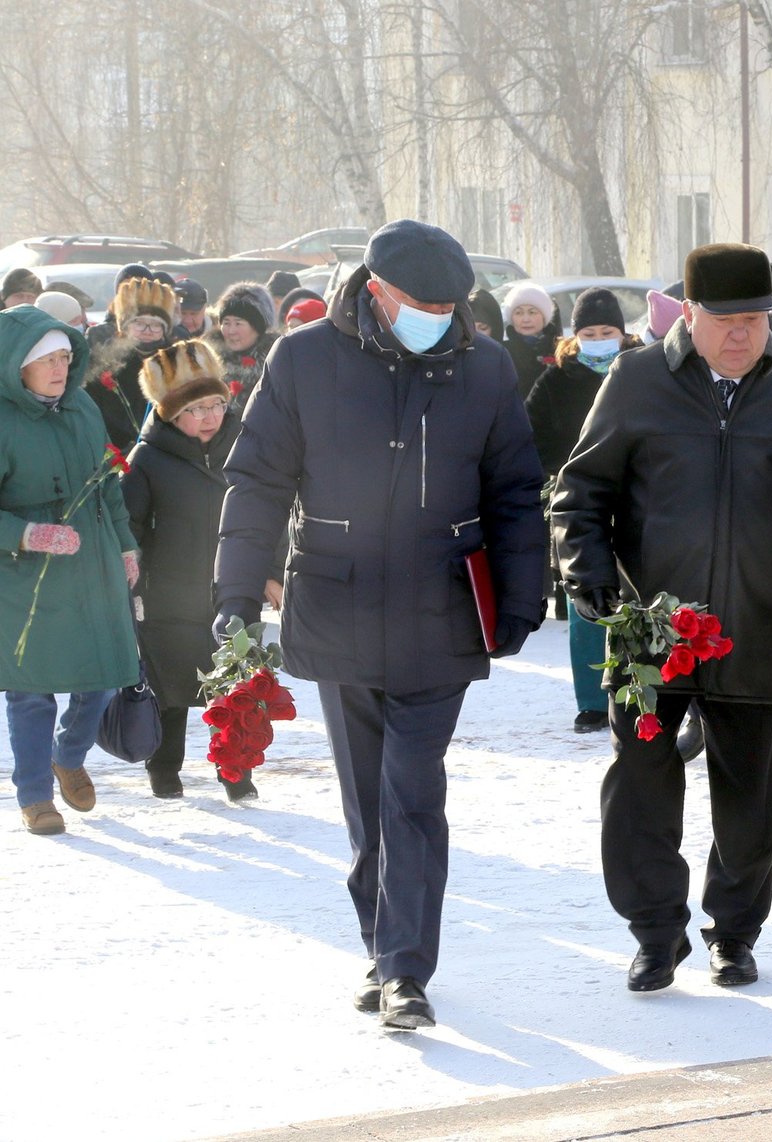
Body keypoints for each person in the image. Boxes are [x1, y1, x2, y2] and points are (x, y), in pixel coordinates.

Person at [216, 219, 547, 1030]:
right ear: (377, 293)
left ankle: (406, 969)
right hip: (337, 601)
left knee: (413, 791)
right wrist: (233, 589)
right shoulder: (304, 360)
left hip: (442, 607)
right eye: (424, 303)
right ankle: (381, 943)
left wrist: (523, 596)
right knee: (368, 798)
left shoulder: (484, 365)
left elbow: (513, 491)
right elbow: (257, 477)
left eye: (452, 304)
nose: (442, 315)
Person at [552, 242, 772, 995]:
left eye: (754, 320)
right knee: (642, 784)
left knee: (751, 793)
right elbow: (580, 492)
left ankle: (734, 931)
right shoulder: (636, 380)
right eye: (724, 319)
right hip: (652, 629)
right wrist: (587, 573)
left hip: (757, 621)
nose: (740, 335)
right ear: (688, 313)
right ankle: (657, 932)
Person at [0, 306, 140, 835]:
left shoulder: (82, 407)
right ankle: (35, 795)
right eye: (47, 360)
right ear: (18, 365)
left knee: (103, 675)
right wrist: (27, 534)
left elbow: (107, 483)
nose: (60, 369)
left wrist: (125, 545)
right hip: (26, 578)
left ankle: (69, 753)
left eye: (64, 357)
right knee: (31, 691)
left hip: (92, 561)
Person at [123, 341, 281, 800]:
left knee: (237, 690)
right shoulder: (148, 460)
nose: (210, 416)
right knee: (171, 693)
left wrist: (270, 571)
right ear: (171, 414)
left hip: (233, 590)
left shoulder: (244, 448)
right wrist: (131, 578)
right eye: (196, 409)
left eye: (216, 404)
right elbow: (129, 527)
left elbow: (268, 515)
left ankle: (236, 774)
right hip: (168, 597)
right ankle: (165, 768)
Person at [524, 288, 640, 733]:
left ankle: (644, 687)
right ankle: (592, 700)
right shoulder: (556, 380)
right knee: (585, 598)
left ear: (622, 332)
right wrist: (562, 472)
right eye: (588, 332)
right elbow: (531, 437)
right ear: (575, 335)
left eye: (606, 330)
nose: (597, 338)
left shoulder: (641, 370)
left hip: (639, 498)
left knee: (642, 594)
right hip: (577, 501)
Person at [87, 275, 177, 450]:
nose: (148, 331)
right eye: (139, 323)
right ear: (124, 327)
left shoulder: (175, 361)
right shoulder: (105, 362)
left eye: (156, 325)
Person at [203, 282, 278, 404]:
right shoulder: (206, 359)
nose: (231, 331)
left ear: (257, 328)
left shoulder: (275, 362)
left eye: (238, 323)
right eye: (226, 323)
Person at [501, 282, 560, 401]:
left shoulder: (560, 349)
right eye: (518, 313)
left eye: (532, 312)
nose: (525, 319)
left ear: (544, 316)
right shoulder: (502, 352)